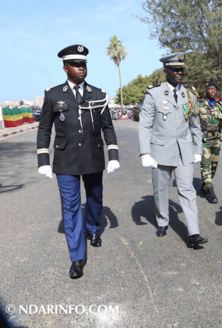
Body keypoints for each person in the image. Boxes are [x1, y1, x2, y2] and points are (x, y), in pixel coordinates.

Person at [36, 45, 120, 279]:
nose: (82, 68)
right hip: (65, 159)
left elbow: (107, 128)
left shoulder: (98, 94)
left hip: (93, 156)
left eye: (84, 65)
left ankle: (93, 229)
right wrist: (43, 159)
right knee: (71, 207)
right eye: (76, 65)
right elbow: (44, 129)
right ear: (65, 68)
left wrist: (113, 155)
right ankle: (77, 258)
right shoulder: (53, 95)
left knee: (95, 198)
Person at [138, 53, 208, 249]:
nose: (179, 73)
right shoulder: (154, 93)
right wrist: (145, 152)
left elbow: (195, 124)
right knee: (161, 189)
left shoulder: (190, 94)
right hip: (160, 150)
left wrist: (197, 149)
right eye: (175, 69)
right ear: (165, 71)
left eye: (182, 70)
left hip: (184, 150)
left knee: (187, 190)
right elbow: (145, 125)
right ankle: (162, 221)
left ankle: (194, 233)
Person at [198, 81, 222, 203]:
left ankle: (205, 185)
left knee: (214, 165)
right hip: (204, 140)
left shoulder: (220, 105)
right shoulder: (199, 105)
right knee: (205, 164)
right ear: (205, 90)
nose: (213, 91)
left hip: (216, 139)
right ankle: (209, 189)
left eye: (215, 89)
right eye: (210, 89)